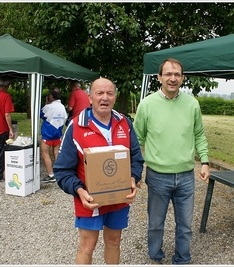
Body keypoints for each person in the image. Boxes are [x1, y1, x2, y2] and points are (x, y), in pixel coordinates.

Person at [54, 78, 144, 264]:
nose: (105, 98)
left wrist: (133, 178)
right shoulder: (76, 126)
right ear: (90, 97)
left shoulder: (125, 123)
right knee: (87, 245)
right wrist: (79, 191)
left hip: (119, 198)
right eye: (99, 93)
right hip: (90, 200)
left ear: (115, 97)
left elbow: (136, 158)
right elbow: (62, 171)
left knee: (114, 241)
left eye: (109, 93)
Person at [133, 58, 210, 264]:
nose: (172, 78)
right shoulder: (147, 104)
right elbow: (136, 140)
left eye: (177, 74)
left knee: (185, 225)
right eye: (168, 74)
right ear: (159, 78)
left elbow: (199, 134)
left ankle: (182, 258)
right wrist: (133, 172)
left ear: (183, 78)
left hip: (186, 176)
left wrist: (204, 161)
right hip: (157, 176)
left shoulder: (192, 104)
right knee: (156, 223)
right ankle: (155, 255)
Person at [40, 89, 67, 183]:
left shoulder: (48, 107)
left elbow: (41, 114)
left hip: (48, 134)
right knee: (56, 153)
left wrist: (46, 103)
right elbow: (65, 118)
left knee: (45, 153)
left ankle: (51, 175)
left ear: (51, 96)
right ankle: (60, 173)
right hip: (58, 133)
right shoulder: (62, 107)